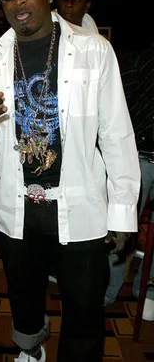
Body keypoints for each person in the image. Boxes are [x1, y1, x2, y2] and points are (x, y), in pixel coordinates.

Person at [0, 0, 140, 362]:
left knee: (84, 308)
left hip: (80, 208)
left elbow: (116, 134)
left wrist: (121, 213)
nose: (18, 1)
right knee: (23, 298)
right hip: (16, 210)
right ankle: (31, 350)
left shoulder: (93, 50)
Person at [104, 39, 154, 320]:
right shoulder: (139, 61)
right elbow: (118, 116)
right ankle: (109, 289)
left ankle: (149, 291)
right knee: (122, 226)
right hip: (139, 157)